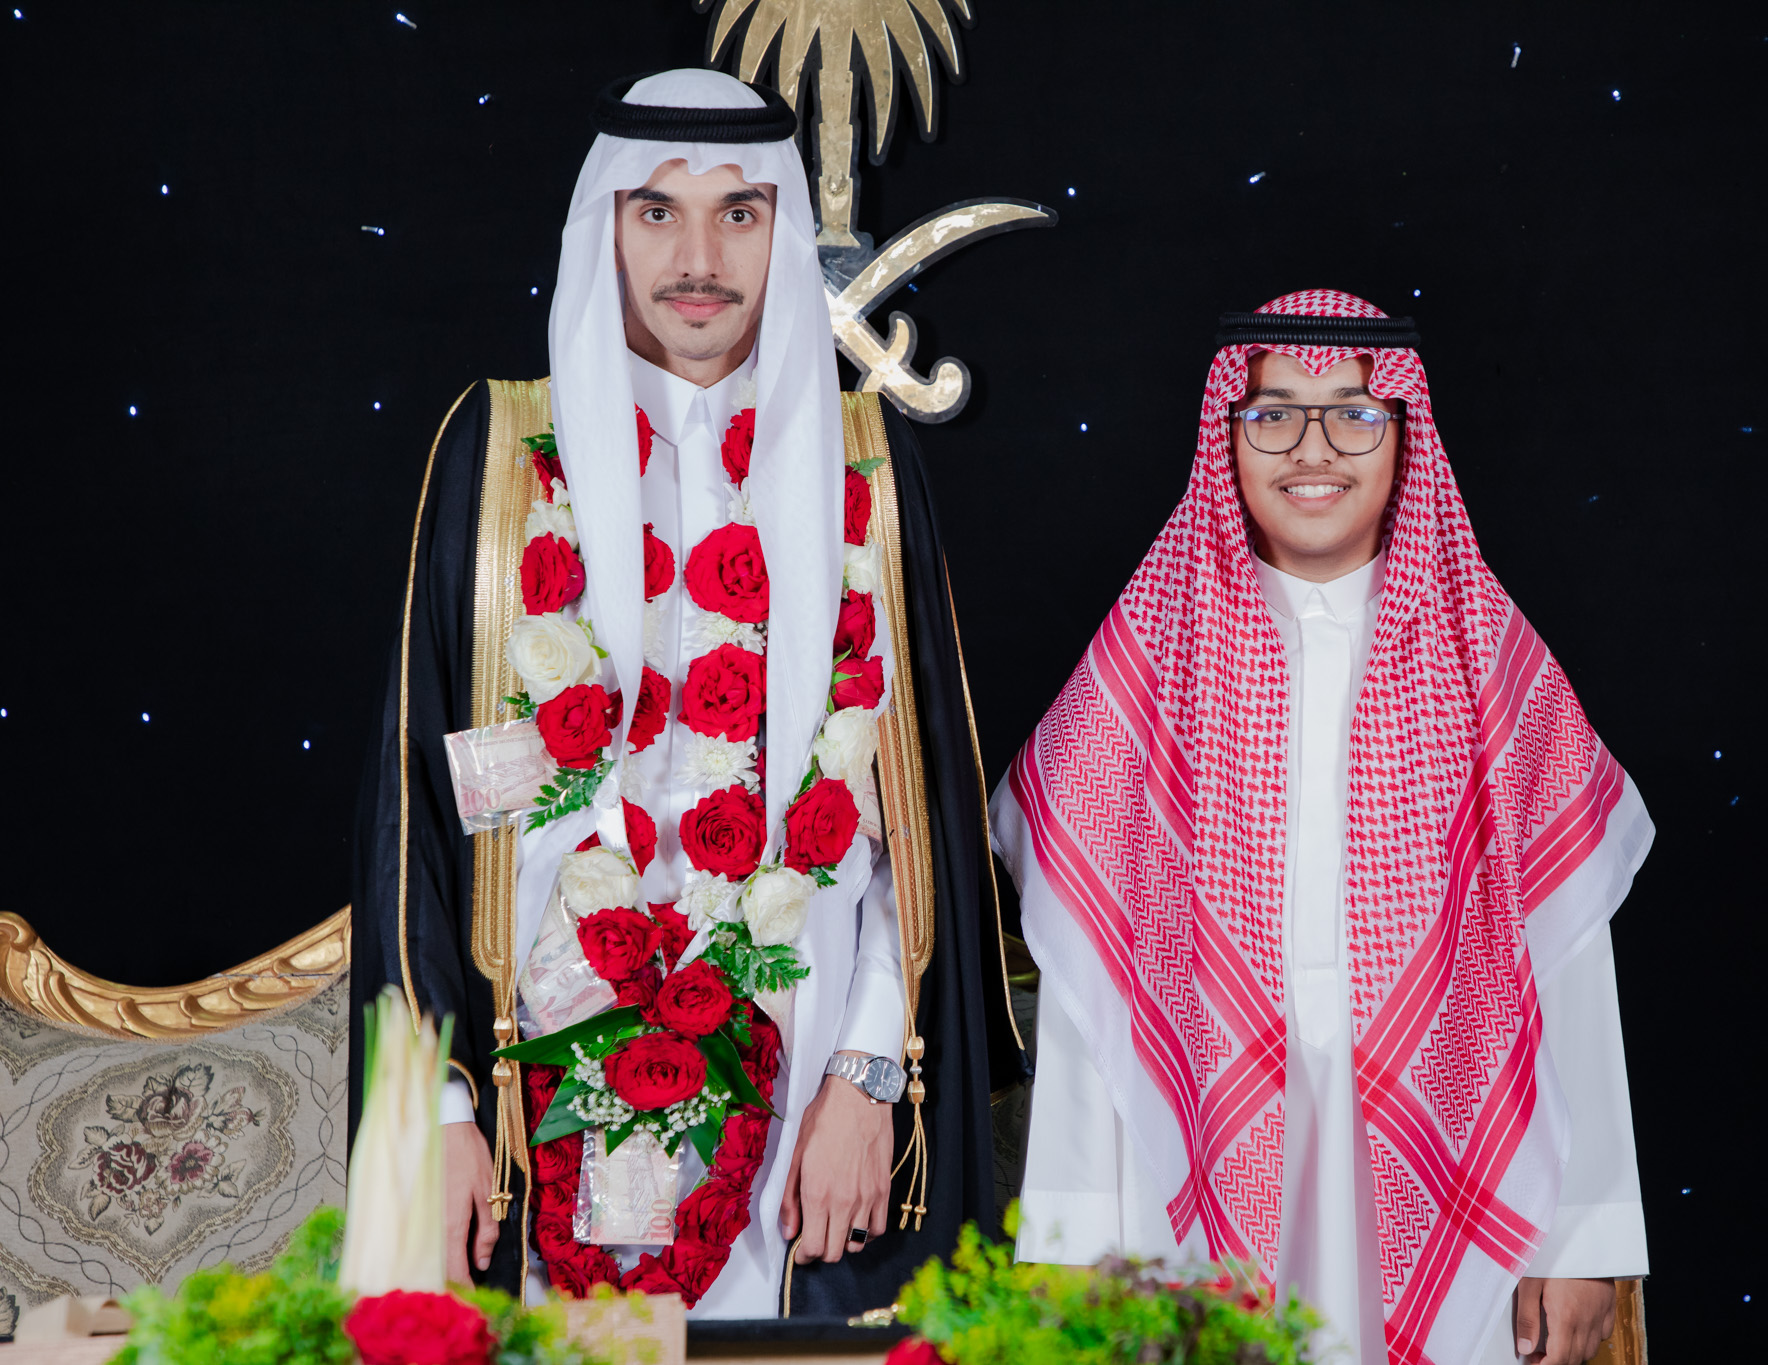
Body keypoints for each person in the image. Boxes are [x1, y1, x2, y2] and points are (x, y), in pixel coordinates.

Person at [349, 69, 1023, 1317]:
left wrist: (869, 1074)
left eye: (740, 214)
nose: (698, 259)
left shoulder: (867, 461)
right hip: (524, 1066)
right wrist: (434, 1111)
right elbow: (418, 814)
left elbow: (911, 816)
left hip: (809, 1068)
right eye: (656, 211)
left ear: (783, 234)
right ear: (602, 224)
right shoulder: (498, 456)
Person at [993, 291, 1652, 1365]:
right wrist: (1068, 1239)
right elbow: (1087, 983)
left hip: (1446, 1137)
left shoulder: (1487, 658)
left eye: (1352, 413)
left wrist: (1585, 1237)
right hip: (1187, 1159)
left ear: (1404, 437)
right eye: (1273, 416)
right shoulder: (1149, 658)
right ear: (1227, 436)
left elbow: (1568, 961)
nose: (1313, 449)